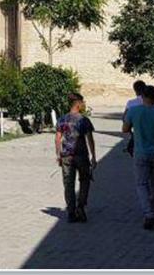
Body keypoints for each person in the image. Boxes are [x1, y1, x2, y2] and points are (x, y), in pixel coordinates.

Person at [123, 83, 154, 229]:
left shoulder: (134, 111)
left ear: (142, 96)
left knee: (141, 184)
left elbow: (125, 129)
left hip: (140, 152)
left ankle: (148, 213)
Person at [55, 92, 97, 223]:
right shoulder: (84, 120)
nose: (84, 105)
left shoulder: (62, 119)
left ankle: (71, 212)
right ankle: (81, 206)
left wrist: (58, 155)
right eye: (82, 102)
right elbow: (90, 140)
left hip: (66, 156)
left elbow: (57, 139)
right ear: (78, 104)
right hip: (81, 155)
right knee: (84, 181)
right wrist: (93, 157)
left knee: (68, 184)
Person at [123, 80, 146, 155]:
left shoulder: (131, 103)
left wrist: (130, 132)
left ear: (135, 90)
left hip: (137, 132)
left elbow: (124, 118)